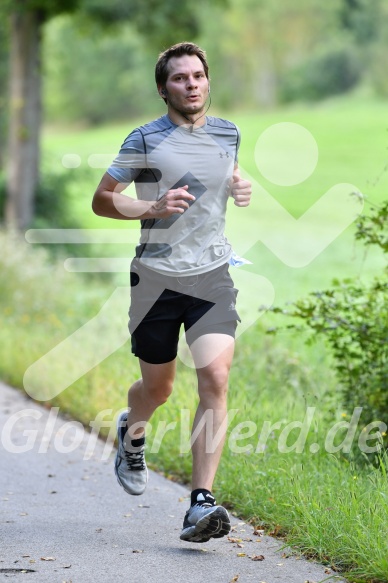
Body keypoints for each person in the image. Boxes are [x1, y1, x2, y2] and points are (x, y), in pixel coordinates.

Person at [92, 42, 252, 543]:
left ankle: (200, 503)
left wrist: (237, 185)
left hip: (212, 274)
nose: (192, 84)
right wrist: (153, 208)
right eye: (180, 78)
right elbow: (102, 201)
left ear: (208, 81)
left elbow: (218, 177)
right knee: (158, 389)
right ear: (164, 89)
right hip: (156, 279)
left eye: (198, 76)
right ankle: (131, 431)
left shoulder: (229, 132)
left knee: (216, 378)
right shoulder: (143, 139)